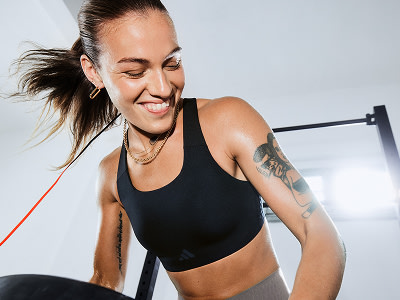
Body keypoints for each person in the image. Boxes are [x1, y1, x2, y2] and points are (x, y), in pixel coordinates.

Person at [12, 0, 346, 299]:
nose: (162, 87)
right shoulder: (111, 174)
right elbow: (105, 281)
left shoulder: (227, 120)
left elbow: (320, 234)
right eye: (134, 71)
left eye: (172, 63)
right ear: (93, 72)